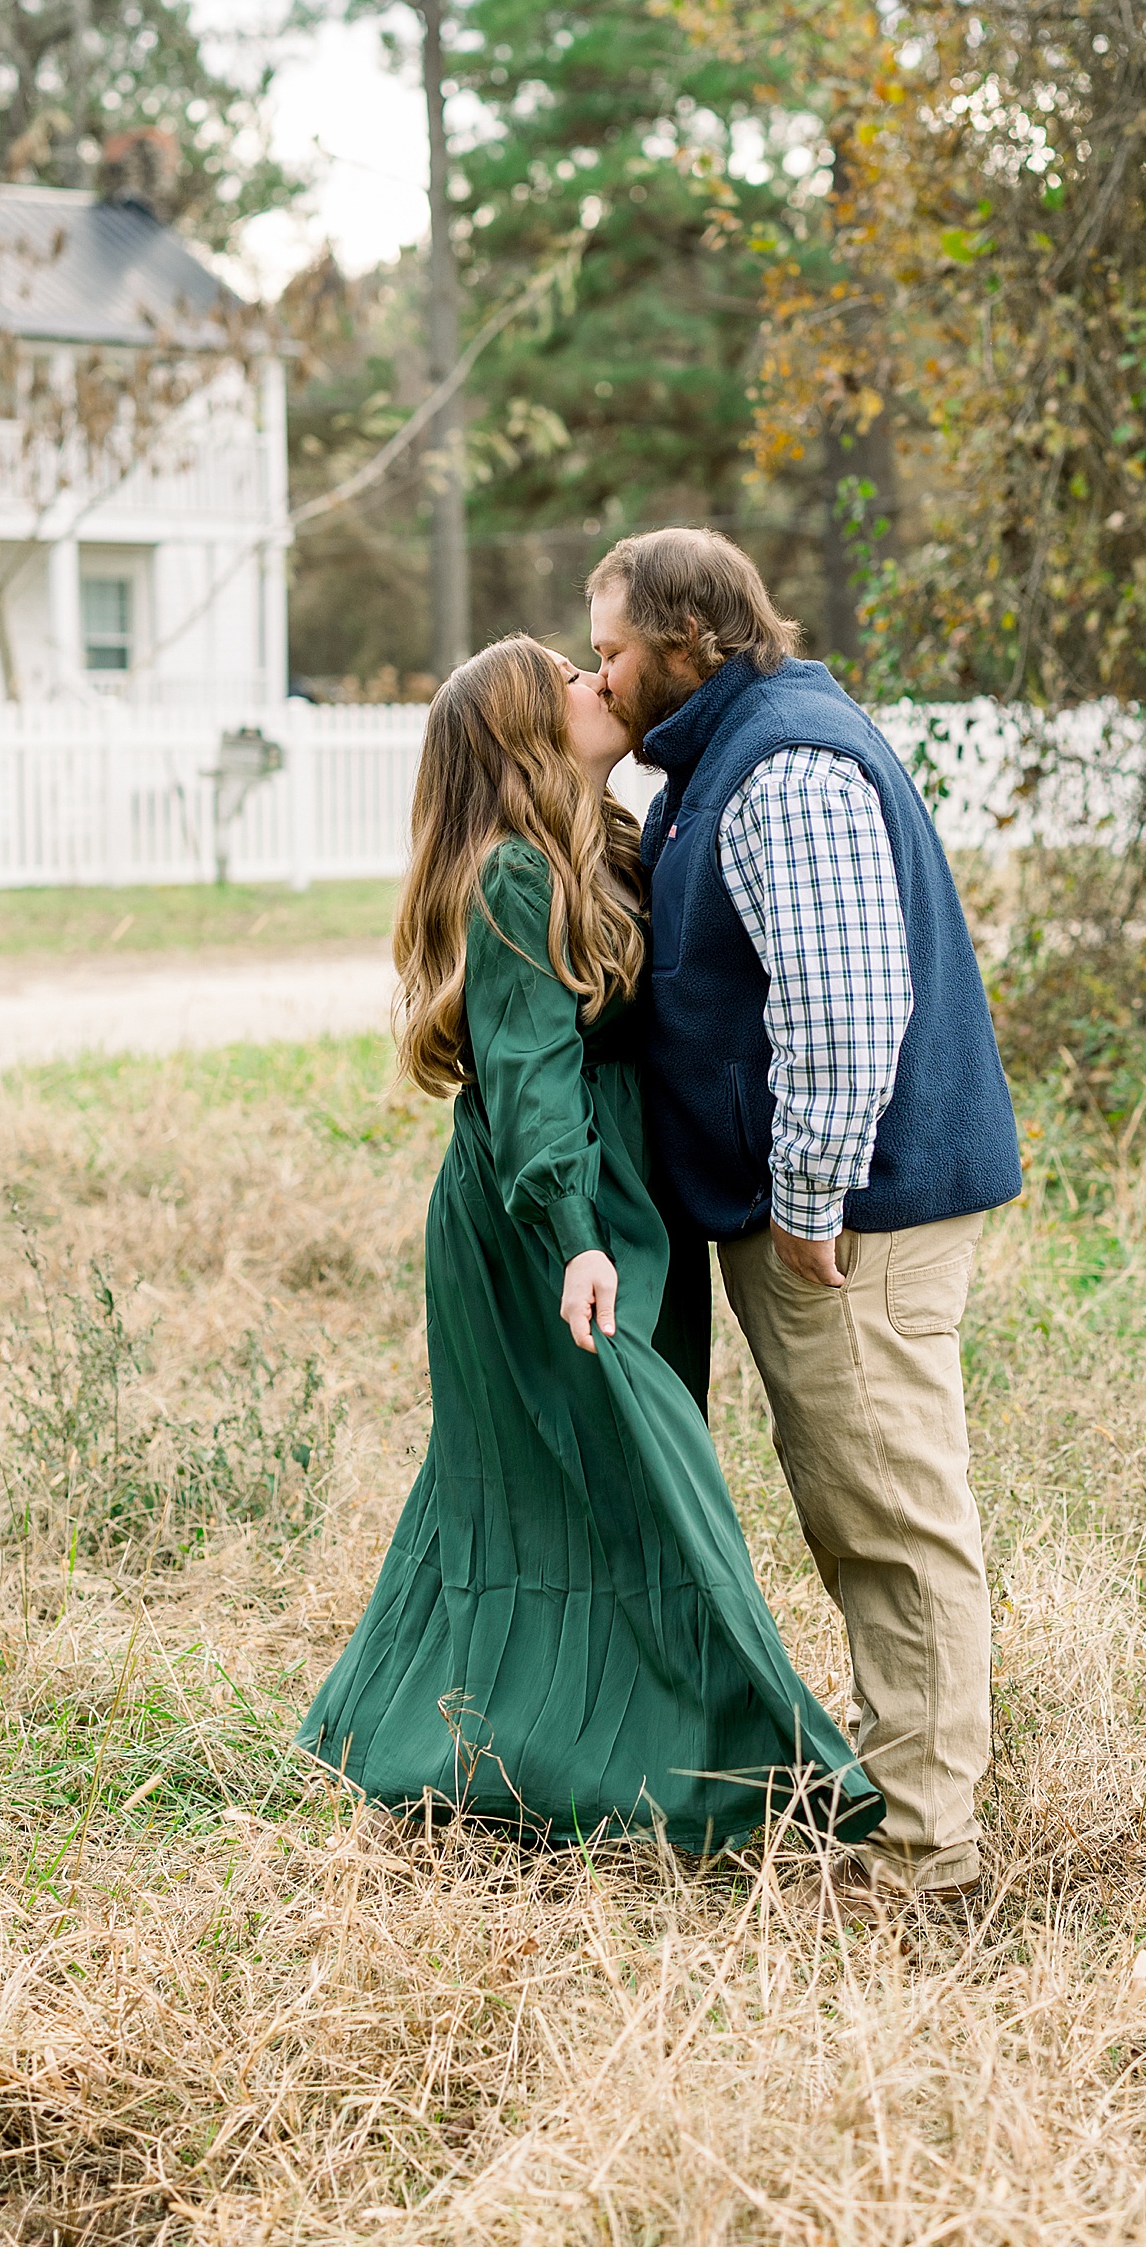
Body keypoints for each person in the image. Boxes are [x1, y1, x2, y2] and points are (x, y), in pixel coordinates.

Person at [295, 634, 884, 1860]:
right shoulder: (513, 874)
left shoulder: (609, 843)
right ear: (524, 734)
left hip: (628, 1211)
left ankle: (523, 1760)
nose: (593, 681)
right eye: (565, 677)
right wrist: (575, 1235)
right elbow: (528, 1075)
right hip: (550, 1223)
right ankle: (756, 1775)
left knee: (591, 1480)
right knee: (622, 1479)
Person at [587, 530, 1023, 1904]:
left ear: (686, 639)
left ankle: (926, 1854)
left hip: (854, 1216)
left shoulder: (785, 766)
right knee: (860, 1502)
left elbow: (844, 1008)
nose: (602, 674)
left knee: (890, 1511)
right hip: (828, 1208)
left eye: (611, 649)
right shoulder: (730, 751)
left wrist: (809, 1200)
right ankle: (912, 1792)